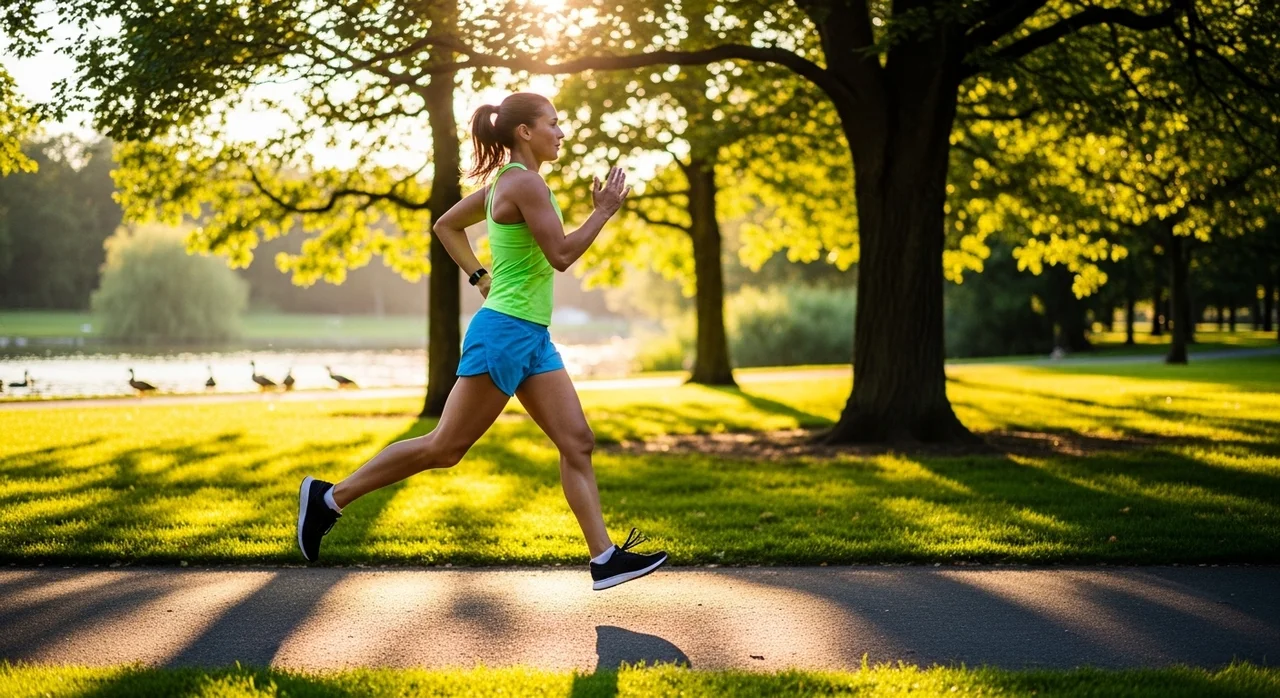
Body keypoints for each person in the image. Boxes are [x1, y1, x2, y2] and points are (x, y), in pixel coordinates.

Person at [296, 92, 668, 591]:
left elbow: (445, 225)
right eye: (553, 123)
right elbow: (560, 255)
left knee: (577, 441)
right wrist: (602, 212)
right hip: (505, 333)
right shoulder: (525, 183)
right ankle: (329, 499)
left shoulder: (505, 184)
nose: (561, 133)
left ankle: (604, 558)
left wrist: (480, 277)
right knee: (445, 447)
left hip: (531, 336)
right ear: (525, 132)